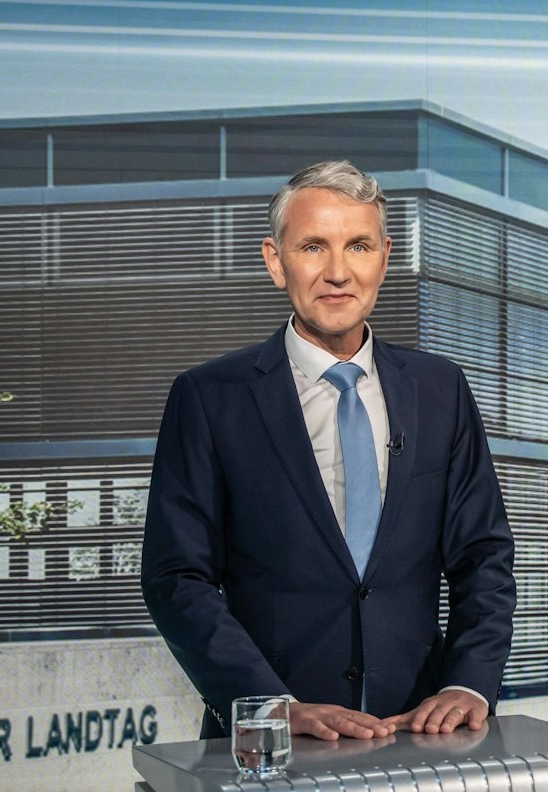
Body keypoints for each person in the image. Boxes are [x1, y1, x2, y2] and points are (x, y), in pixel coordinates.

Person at [143, 159, 515, 742]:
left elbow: (483, 556)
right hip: (271, 743)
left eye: (359, 246)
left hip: (422, 734)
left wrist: (469, 684)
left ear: (384, 260)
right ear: (275, 261)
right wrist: (269, 705)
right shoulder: (210, 398)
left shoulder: (440, 388)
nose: (338, 272)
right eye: (314, 247)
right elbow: (177, 577)